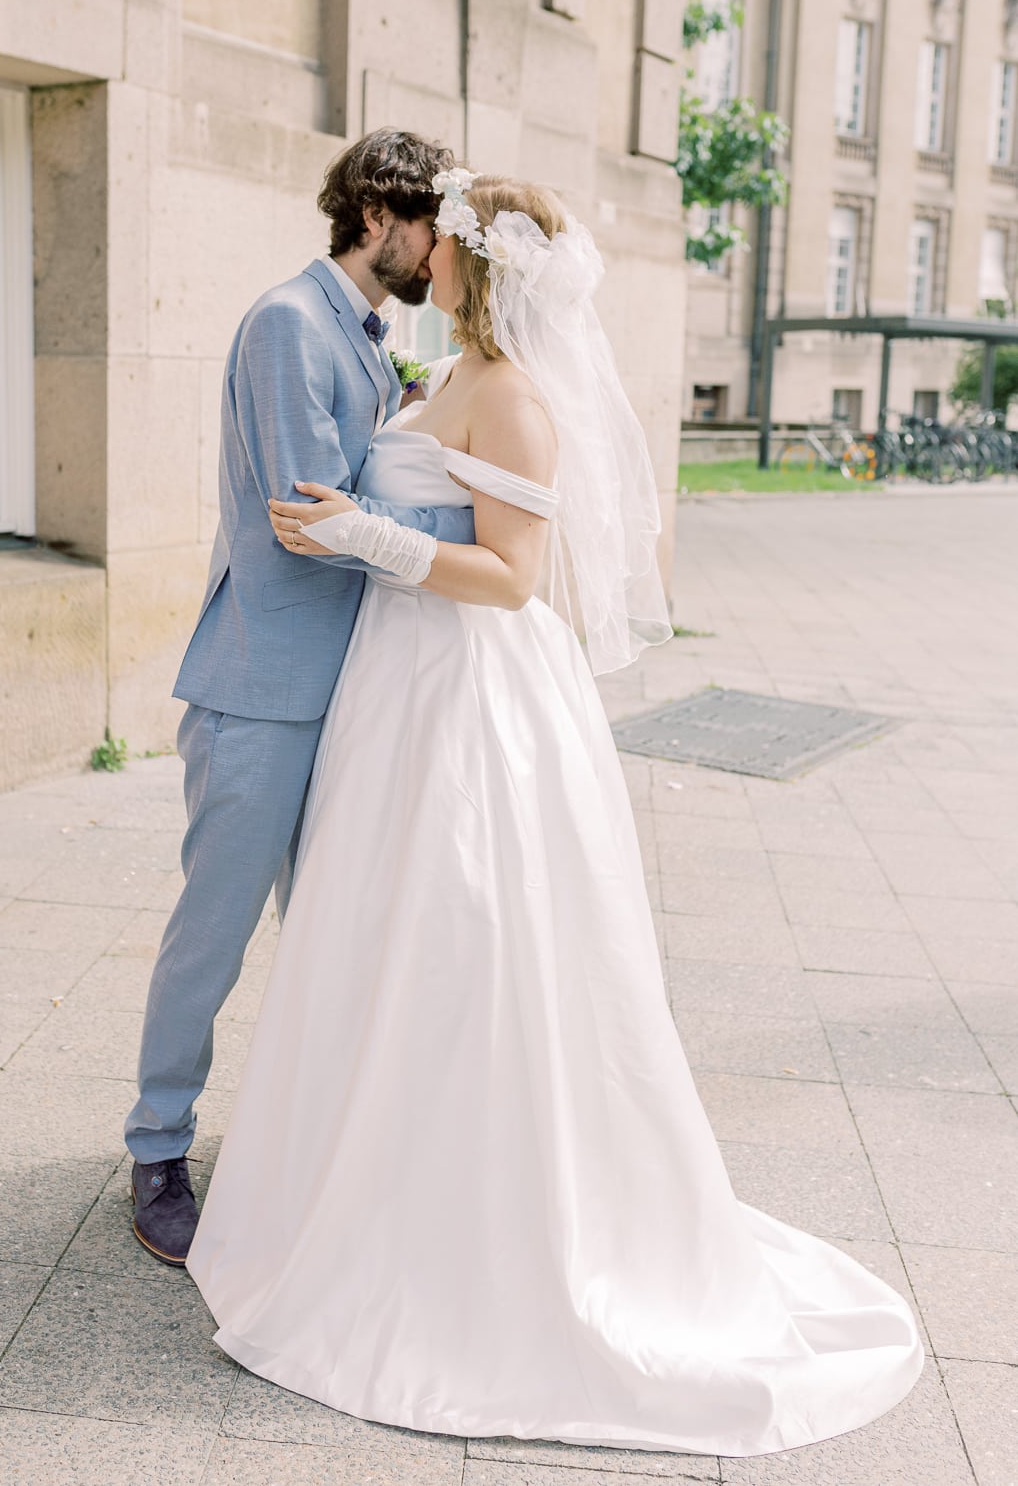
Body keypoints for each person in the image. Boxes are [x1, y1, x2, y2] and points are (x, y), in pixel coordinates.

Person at [186, 170, 924, 1457]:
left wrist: (362, 532)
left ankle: (475, 1215)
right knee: (382, 937)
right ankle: (358, 1182)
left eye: (446, 238)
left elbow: (513, 580)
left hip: (473, 697)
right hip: (397, 690)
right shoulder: (446, 374)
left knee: (475, 939)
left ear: (476, 263)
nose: (426, 251)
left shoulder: (518, 397)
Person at [123, 130, 477, 1265]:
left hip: (353, 693)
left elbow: (354, 466)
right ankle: (158, 1148)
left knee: (332, 932)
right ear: (379, 215)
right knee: (214, 935)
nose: (440, 256)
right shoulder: (286, 322)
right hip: (264, 689)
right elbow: (302, 515)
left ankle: (306, 1140)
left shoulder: (364, 336)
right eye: (432, 228)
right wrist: (468, 530)